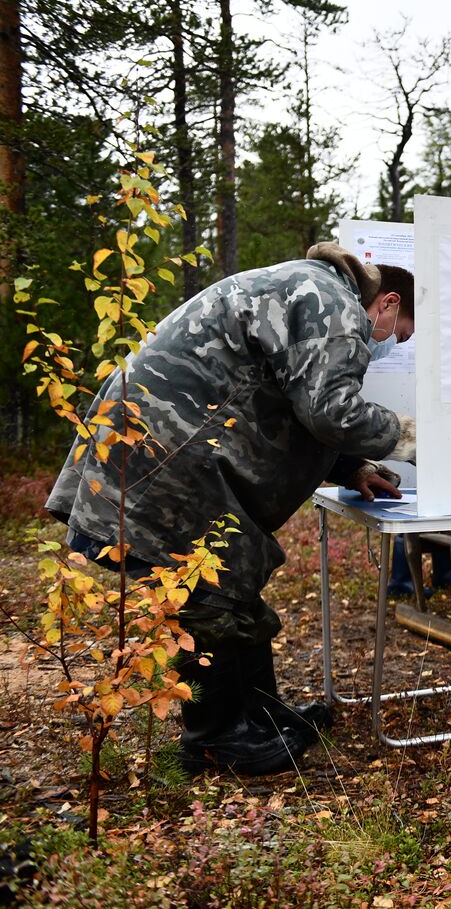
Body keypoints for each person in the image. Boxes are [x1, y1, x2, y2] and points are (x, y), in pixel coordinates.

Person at [46, 243, 417, 775]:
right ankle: (216, 739)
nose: (386, 345)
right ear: (386, 303)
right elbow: (329, 409)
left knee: (232, 586)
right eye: (396, 334)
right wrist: (413, 438)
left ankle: (259, 718)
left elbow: (282, 402)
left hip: (164, 449)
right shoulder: (333, 300)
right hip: (167, 456)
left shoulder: (308, 287)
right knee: (206, 594)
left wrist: (351, 468)